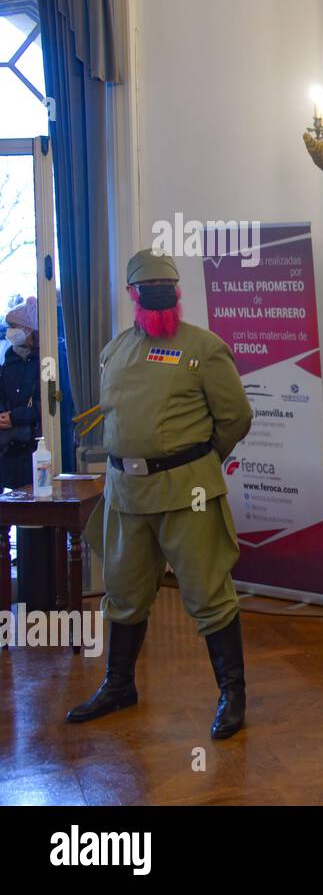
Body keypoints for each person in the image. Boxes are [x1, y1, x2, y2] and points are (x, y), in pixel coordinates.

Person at [68, 250, 254, 739]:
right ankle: (118, 684)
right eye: (145, 289)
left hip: (186, 491)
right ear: (131, 295)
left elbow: (236, 417)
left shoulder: (205, 348)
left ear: (177, 292)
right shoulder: (114, 351)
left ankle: (232, 695)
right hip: (126, 494)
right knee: (124, 594)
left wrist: (196, 461)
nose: (154, 296)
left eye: (162, 288)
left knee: (209, 593)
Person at [0, 297, 41, 490]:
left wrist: (16, 417)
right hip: (8, 447)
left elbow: (48, 404)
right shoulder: (9, 360)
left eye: (13, 326)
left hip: (34, 446)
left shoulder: (47, 359)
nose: (9, 331)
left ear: (29, 329)